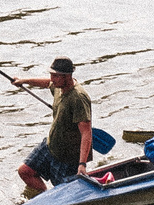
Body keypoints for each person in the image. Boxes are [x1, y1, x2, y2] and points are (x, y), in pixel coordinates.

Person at [12, 56, 94, 196]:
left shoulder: (78, 98)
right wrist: (23, 81)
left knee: (65, 194)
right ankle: (44, 195)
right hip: (51, 145)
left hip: (67, 156)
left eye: (55, 76)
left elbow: (86, 133)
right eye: (51, 74)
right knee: (25, 171)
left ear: (67, 76)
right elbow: (46, 83)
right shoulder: (58, 87)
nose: (52, 79)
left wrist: (82, 164)